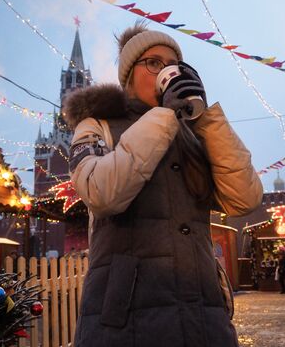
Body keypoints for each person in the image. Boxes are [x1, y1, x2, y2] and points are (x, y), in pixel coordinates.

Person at [64, 22, 263, 347]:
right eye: (154, 63)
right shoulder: (97, 124)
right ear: (128, 76)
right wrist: (164, 116)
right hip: (124, 322)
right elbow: (101, 193)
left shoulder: (193, 135)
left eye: (173, 66)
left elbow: (245, 198)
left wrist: (205, 120)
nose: (165, 71)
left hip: (203, 316)